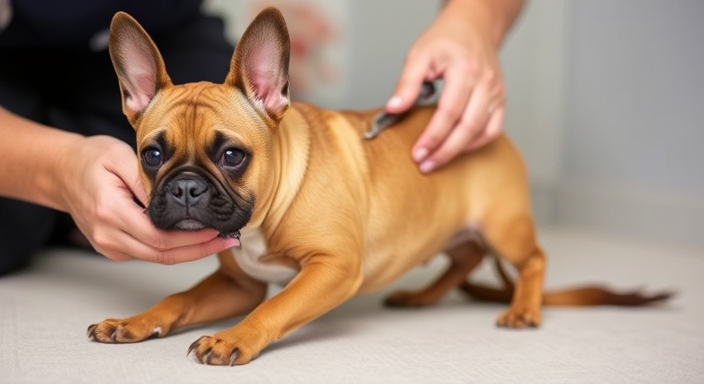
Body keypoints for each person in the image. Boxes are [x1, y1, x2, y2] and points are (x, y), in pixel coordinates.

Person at [0, 0, 524, 276]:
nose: (187, 187)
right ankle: (57, 211)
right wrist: (59, 170)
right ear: (133, 95)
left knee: (221, 133)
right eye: (157, 156)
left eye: (226, 157)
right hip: (13, 47)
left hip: (172, 32)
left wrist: (474, 16)